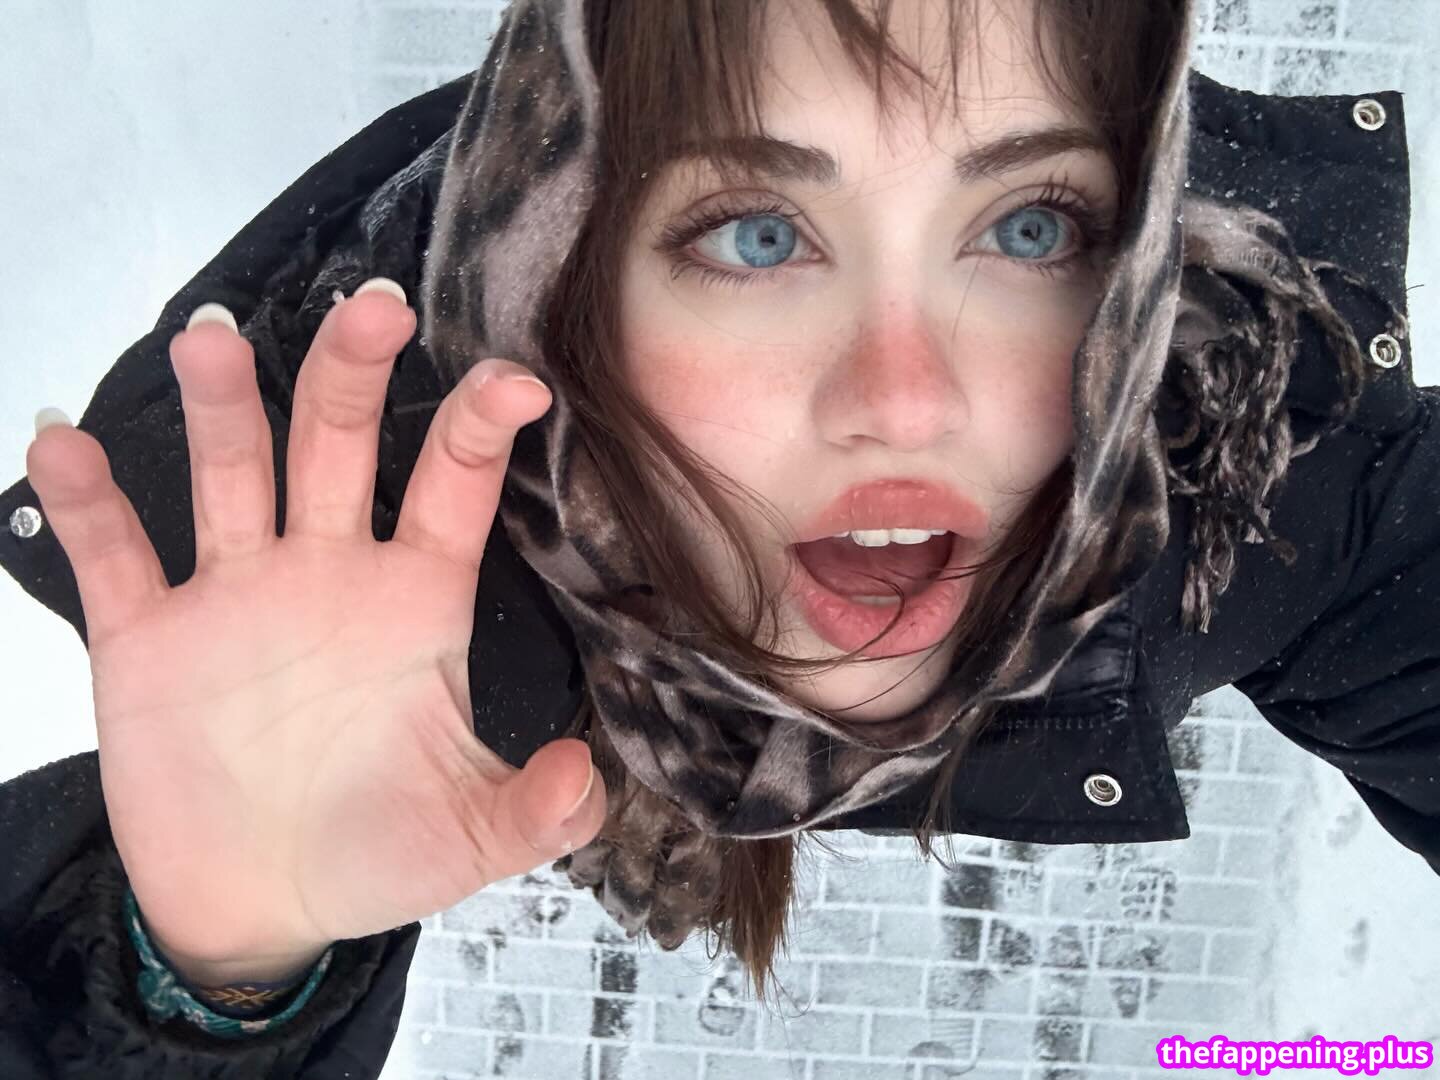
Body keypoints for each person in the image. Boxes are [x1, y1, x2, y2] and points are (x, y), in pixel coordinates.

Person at [0, 0, 1430, 1074]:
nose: (905, 402)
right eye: (757, 236)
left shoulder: (1246, 457)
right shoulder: (377, 568)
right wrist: (202, 977)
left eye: (1032, 230)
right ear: (565, 285)